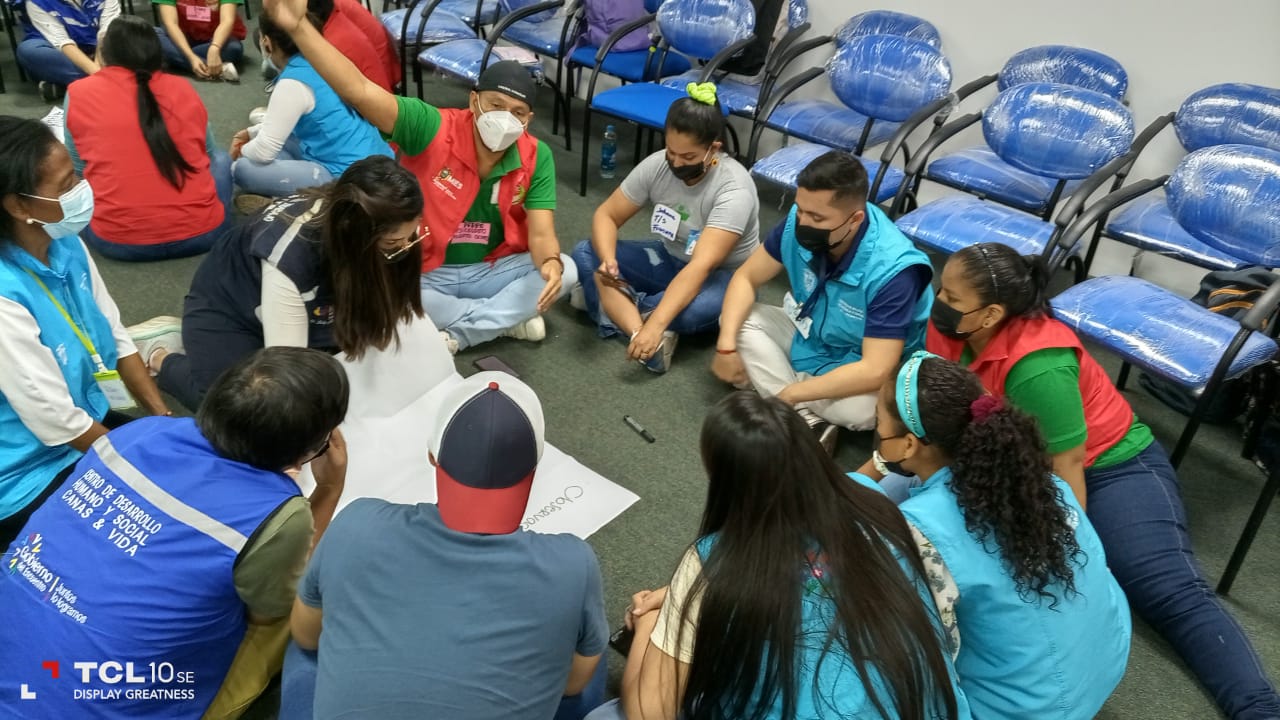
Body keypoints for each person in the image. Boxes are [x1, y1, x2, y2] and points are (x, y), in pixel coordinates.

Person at [920, 242, 1280, 720]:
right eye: (942, 289)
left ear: (991, 313)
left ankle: (1258, 707)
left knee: (1167, 592)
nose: (939, 302)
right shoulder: (955, 327)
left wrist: (1065, 550)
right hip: (1010, 461)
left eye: (951, 297)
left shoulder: (1039, 364)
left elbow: (1066, 467)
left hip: (1109, 467)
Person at [0, 347, 350, 719]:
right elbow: (268, 612)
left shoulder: (136, 432)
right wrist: (329, 488)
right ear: (309, 449)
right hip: (100, 706)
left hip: (15, 663)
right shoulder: (277, 514)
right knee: (303, 601)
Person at [588, 391, 966, 720]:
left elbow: (651, 712)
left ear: (722, 477)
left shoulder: (714, 559)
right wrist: (680, 597)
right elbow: (813, 578)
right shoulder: (875, 504)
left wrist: (652, 624)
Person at [279, 372, 608, 720]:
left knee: (308, 644)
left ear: (432, 457)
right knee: (589, 646)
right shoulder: (575, 565)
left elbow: (306, 635)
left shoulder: (355, 524)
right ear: (534, 467)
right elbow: (572, 685)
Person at [264, 0, 575, 353]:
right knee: (386, 290)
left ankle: (462, 333)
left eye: (517, 112)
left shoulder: (537, 155)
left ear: (528, 120)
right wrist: (299, 28)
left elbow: (541, 234)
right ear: (474, 101)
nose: (506, 118)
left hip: (490, 269)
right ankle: (501, 319)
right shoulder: (431, 126)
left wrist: (550, 262)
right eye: (496, 105)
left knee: (567, 269)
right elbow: (359, 90)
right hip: (423, 270)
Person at [868, 351, 1130, 718]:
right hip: (1105, 660)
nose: (877, 431)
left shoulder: (920, 530)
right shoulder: (1044, 484)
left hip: (1027, 708)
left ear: (909, 444)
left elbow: (911, 649)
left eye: (878, 422)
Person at [129, 155, 425, 412]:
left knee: (362, 379)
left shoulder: (383, 230)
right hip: (231, 307)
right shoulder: (291, 255)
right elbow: (288, 372)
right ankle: (161, 355)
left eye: (409, 236)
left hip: (308, 305)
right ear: (354, 233)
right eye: (392, 243)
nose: (404, 247)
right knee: (240, 409)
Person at [0, 117, 169, 549]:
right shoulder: (5, 296)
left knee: (180, 463)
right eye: (66, 185)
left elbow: (113, 330)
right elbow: (55, 420)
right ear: (18, 206)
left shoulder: (64, 240)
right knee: (147, 531)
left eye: (75, 176)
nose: (82, 190)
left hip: (86, 415)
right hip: (24, 471)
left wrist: (161, 416)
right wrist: (139, 474)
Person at [711, 150, 932, 451]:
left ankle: (778, 391)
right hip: (813, 334)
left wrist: (791, 393)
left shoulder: (894, 270)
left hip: (863, 359)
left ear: (855, 219)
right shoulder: (798, 220)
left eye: (817, 217)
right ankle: (805, 416)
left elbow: (875, 369)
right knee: (737, 321)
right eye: (800, 209)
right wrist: (725, 347)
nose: (802, 222)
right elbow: (745, 278)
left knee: (862, 411)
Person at [570, 83, 760, 374]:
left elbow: (701, 267)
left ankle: (614, 305)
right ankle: (641, 330)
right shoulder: (658, 164)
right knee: (586, 250)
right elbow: (607, 215)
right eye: (672, 152)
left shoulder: (734, 190)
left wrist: (656, 321)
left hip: (725, 276)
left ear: (714, 148)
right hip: (669, 257)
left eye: (689, 157)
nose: (676, 163)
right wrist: (608, 262)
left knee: (694, 312)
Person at [64, 16, 232, 262]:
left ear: (105, 54)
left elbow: (79, 171)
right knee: (222, 159)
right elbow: (206, 154)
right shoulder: (183, 88)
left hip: (118, 243)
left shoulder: (78, 93)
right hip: (205, 235)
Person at [230, 12, 393, 199]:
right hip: (378, 163)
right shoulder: (324, 60)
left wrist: (242, 149)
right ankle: (288, 197)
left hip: (347, 180)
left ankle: (311, 203)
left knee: (241, 168)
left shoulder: (292, 83)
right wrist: (252, 133)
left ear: (266, 43)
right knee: (280, 143)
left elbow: (263, 152)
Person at [15, 0, 119, 94]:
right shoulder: (36, 2)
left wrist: (97, 65)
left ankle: (70, 86)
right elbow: (63, 43)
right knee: (29, 51)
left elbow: (105, 33)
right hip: (59, 50)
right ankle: (113, 79)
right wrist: (98, 74)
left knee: (123, 36)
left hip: (101, 46)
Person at [153, 0, 246, 81]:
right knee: (153, 35)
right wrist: (191, 57)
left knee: (234, 48)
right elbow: (171, 24)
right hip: (184, 38)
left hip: (214, 40)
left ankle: (178, 59)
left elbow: (227, 21)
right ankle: (218, 69)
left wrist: (215, 47)